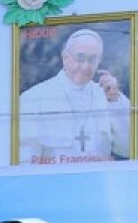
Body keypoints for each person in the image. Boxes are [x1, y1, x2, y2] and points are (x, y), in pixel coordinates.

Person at [18, 28, 131, 164]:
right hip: (56, 183)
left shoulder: (109, 97)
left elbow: (128, 149)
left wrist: (115, 102)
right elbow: (25, 161)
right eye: (80, 58)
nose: (85, 66)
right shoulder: (34, 98)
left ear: (99, 60)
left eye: (92, 59)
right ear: (65, 57)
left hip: (98, 181)